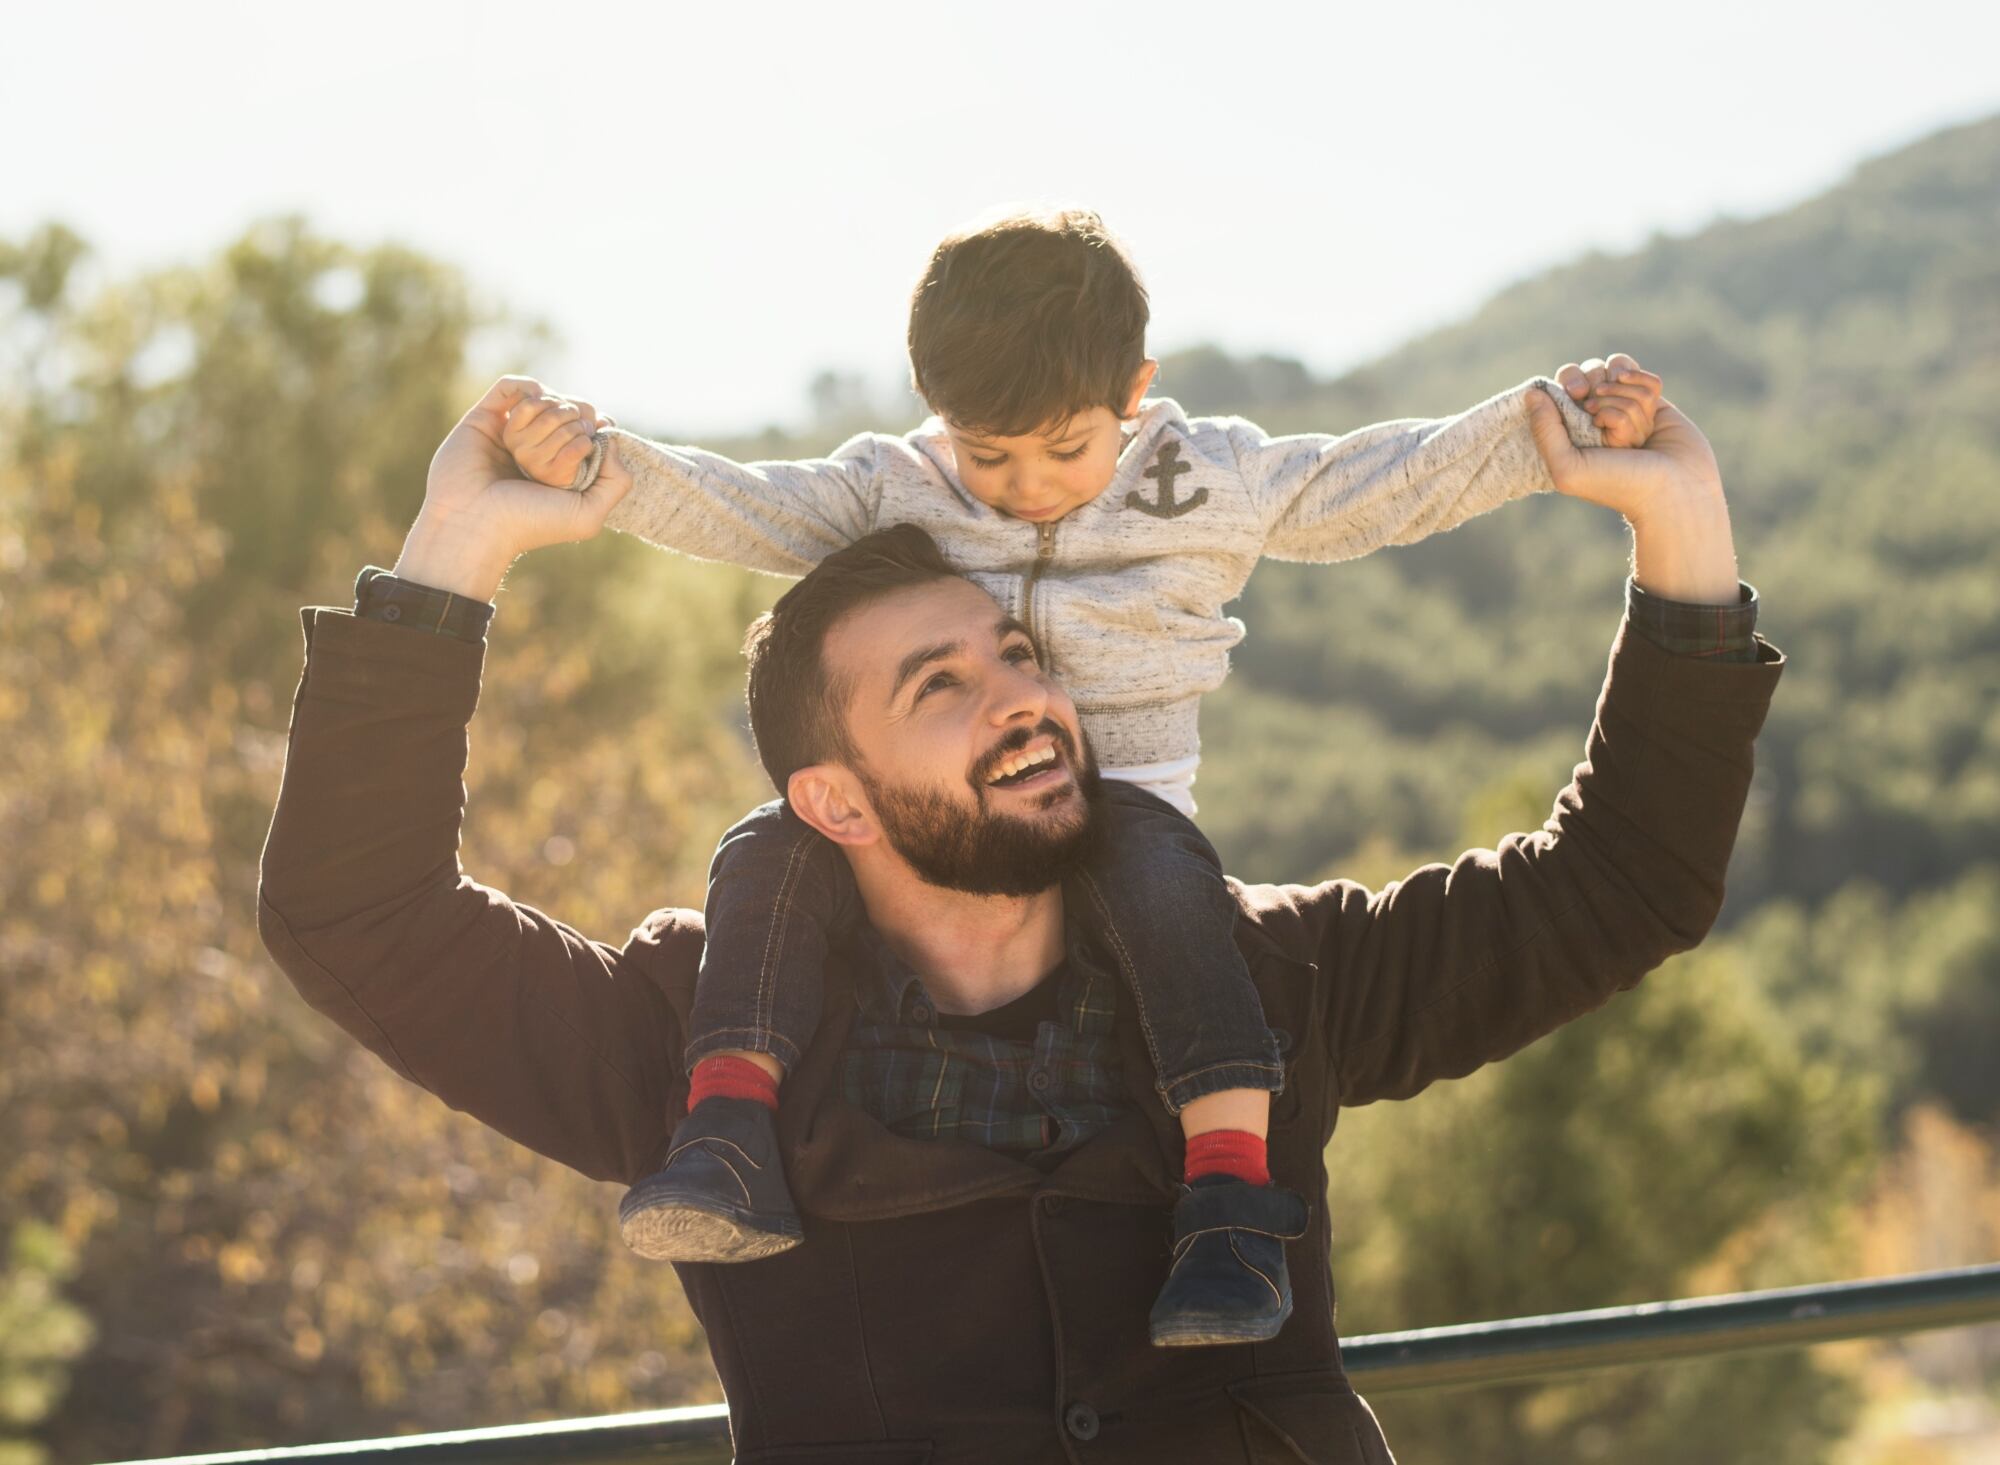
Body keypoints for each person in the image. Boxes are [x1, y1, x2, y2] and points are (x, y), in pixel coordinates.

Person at [258, 366, 1780, 1462]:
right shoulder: (689, 1034)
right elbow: (357, 913)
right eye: (945, 687)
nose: (1027, 698)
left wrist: (1678, 520)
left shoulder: (1264, 977)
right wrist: (458, 548)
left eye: (1011, 653)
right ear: (835, 800)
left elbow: (1624, 880)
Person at [494, 206, 1662, 1345]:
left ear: (1135, 393)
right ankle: (730, 1131)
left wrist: (1542, 429)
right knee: (763, 850)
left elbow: (1376, 480)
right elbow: (745, 504)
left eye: (1066, 447)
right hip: (951, 819)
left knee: (1176, 913)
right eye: (984, 454)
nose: (1025, 485)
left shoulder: (1210, 478)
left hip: (1125, 802)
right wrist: (598, 462)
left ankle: (1230, 1201)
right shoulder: (896, 485)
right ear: (933, 416)